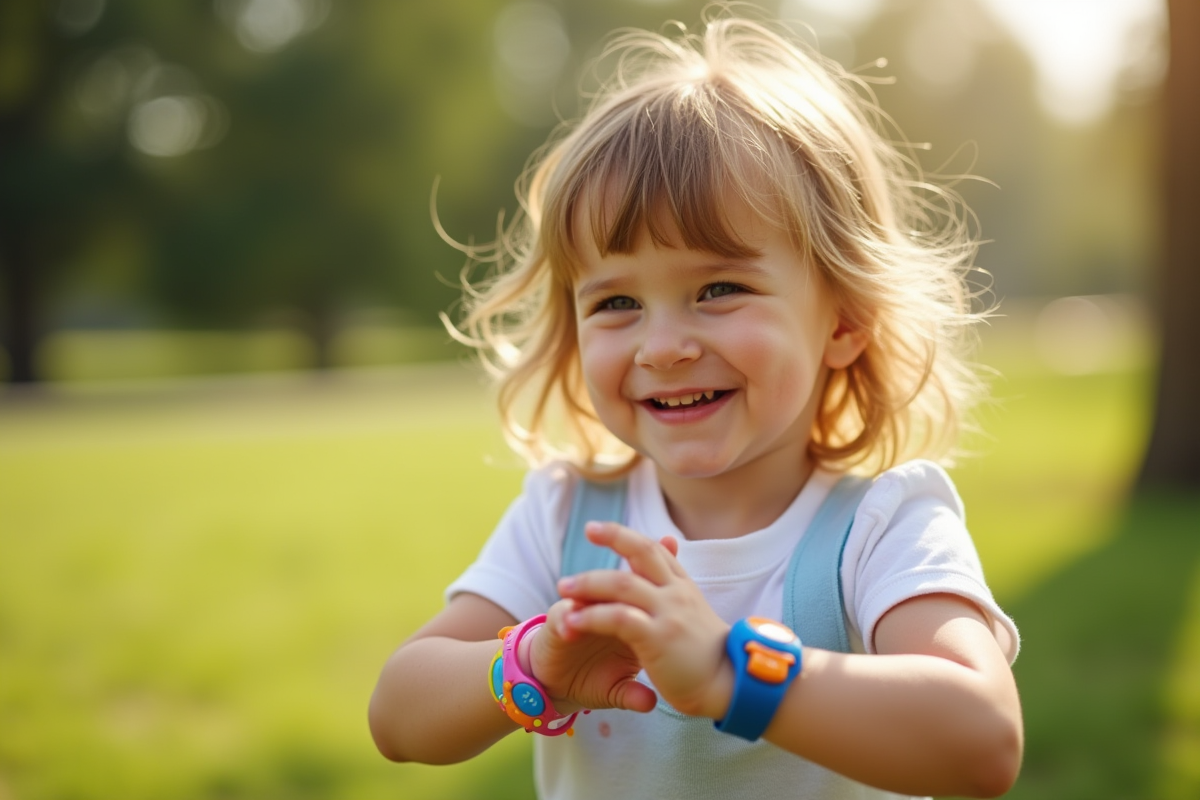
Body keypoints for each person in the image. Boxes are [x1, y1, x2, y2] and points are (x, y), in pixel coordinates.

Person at [369, 13, 1022, 800]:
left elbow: (982, 740)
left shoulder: (878, 527)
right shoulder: (567, 519)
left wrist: (732, 674)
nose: (663, 346)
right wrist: (532, 660)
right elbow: (397, 714)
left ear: (845, 322)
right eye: (615, 303)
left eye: (719, 290)